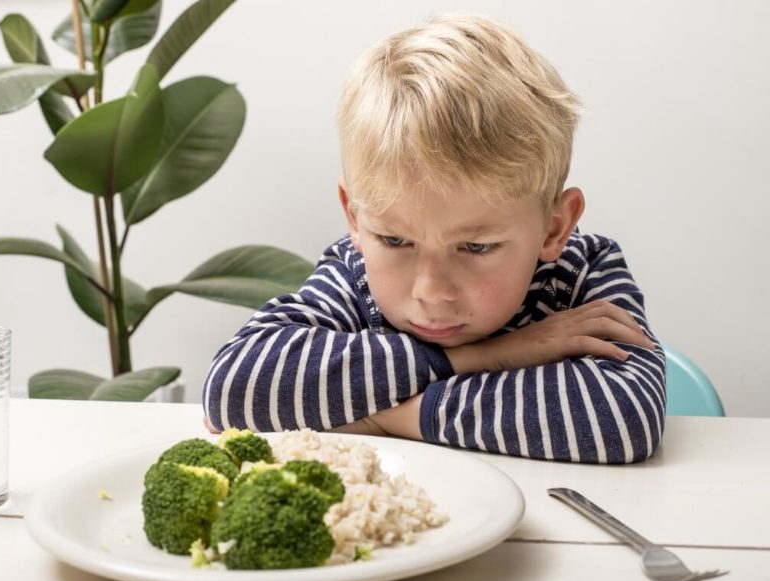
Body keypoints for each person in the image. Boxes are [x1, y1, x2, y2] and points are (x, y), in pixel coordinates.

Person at [202, 14, 666, 464]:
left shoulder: (582, 272)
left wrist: (389, 418)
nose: (431, 292)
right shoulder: (353, 273)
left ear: (554, 227)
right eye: (396, 241)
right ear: (355, 218)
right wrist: (489, 356)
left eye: (477, 247)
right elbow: (232, 387)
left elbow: (621, 420)